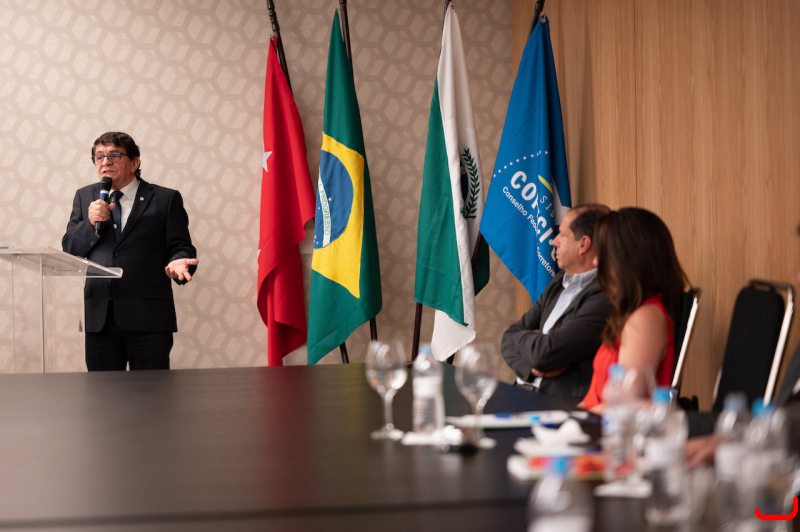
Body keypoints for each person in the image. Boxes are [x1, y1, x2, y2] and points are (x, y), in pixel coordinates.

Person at [62, 132, 198, 371]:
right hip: (100, 318)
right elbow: (70, 248)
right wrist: (90, 223)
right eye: (99, 157)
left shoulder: (165, 199)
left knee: (150, 392)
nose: (105, 162)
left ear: (134, 163)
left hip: (149, 318)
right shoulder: (85, 196)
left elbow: (181, 247)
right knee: (103, 392)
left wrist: (179, 262)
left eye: (114, 155)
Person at [501, 204, 612, 404]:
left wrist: (526, 340)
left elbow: (545, 354)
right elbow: (509, 336)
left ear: (583, 244)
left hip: (558, 405)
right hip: (520, 392)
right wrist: (530, 369)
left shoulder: (605, 295)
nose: (554, 241)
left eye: (563, 235)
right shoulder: (558, 282)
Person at [579, 207, 687, 412]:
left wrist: (569, 419)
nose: (595, 261)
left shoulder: (646, 317)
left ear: (628, 258)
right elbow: (593, 399)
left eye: (603, 254)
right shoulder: (631, 312)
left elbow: (625, 404)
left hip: (613, 427)